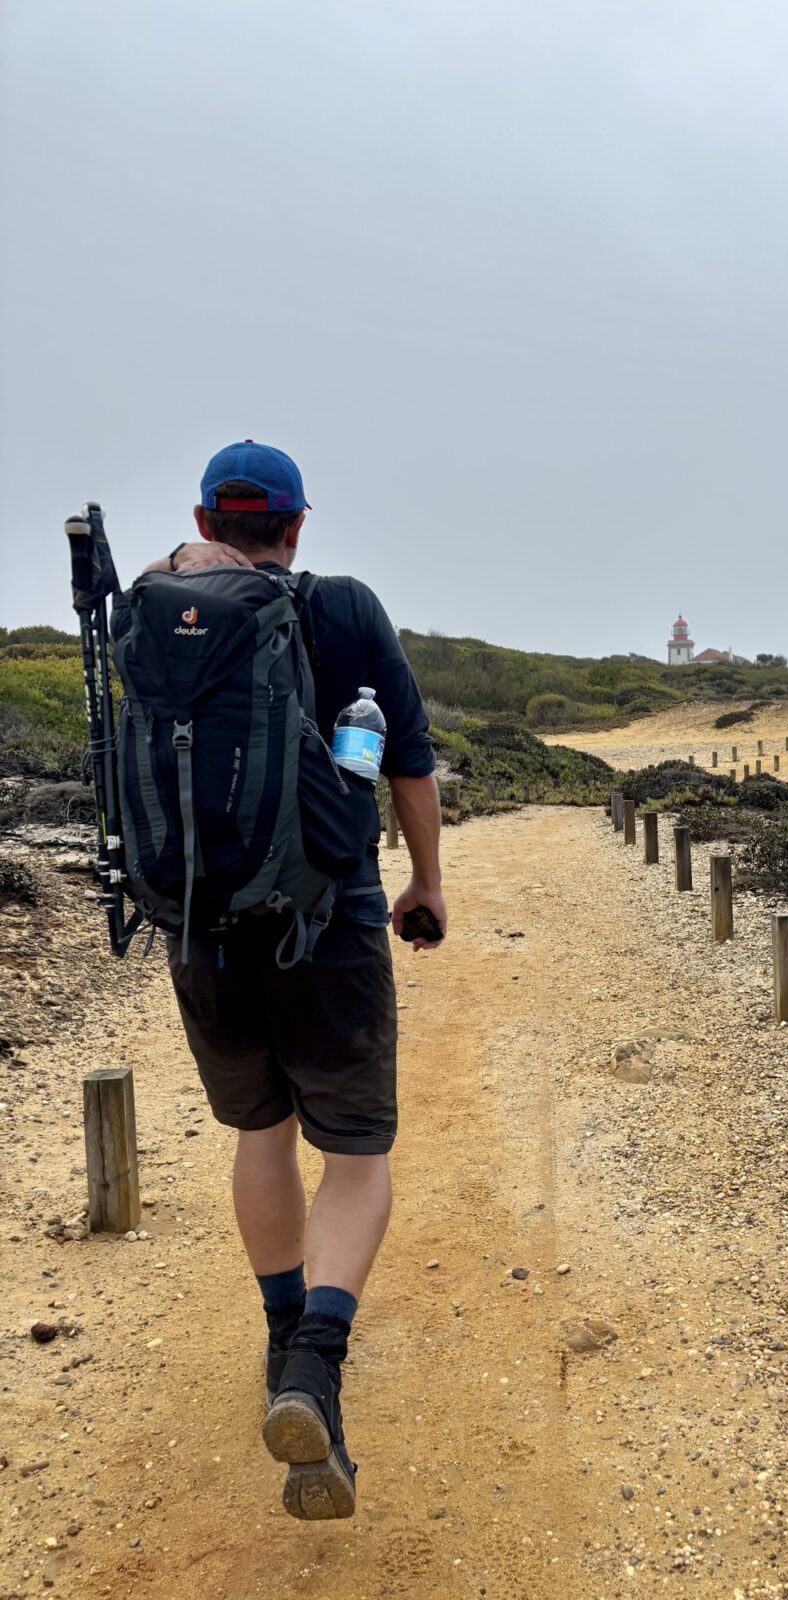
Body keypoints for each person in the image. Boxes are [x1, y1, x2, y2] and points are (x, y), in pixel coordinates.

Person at [122, 440, 446, 1520]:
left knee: (260, 1135)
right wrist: (425, 885)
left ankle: (278, 1334)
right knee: (353, 1153)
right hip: (331, 920)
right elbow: (408, 761)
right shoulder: (345, 607)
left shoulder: (156, 611)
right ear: (297, 526)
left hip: (201, 924)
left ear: (204, 517)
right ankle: (315, 1359)